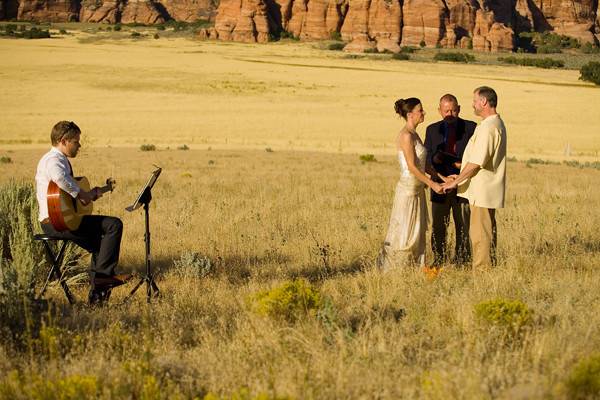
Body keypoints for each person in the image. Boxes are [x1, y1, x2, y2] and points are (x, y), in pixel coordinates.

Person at [35, 121, 131, 305]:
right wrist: (82, 195)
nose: (79, 145)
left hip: (62, 220)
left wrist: (95, 192)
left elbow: (67, 191)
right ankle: (103, 280)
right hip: (57, 223)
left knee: (101, 247)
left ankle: (97, 299)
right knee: (114, 224)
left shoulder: (59, 160)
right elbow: (59, 178)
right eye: (76, 141)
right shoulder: (53, 160)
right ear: (63, 141)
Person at [442, 87, 507, 268]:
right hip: (486, 189)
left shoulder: (488, 127)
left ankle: (482, 270)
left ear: (484, 102)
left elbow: (476, 163)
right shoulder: (494, 124)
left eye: (475, 101)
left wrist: (456, 181)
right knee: (485, 231)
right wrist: (461, 174)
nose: (473, 104)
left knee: (480, 234)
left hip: (483, 190)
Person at [378, 98, 445, 270]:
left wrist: (442, 178)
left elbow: (424, 164)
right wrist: (433, 184)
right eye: (420, 110)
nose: (424, 113)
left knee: (418, 231)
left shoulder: (415, 134)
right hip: (408, 190)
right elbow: (412, 167)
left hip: (418, 189)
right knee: (405, 232)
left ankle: (415, 267)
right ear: (410, 114)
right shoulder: (406, 136)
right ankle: (398, 268)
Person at [424, 94, 476, 267]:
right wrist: (441, 174)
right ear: (439, 111)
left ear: (459, 109)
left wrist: (458, 171)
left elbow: (475, 158)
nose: (450, 114)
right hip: (439, 185)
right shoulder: (432, 130)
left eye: (453, 110)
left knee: (463, 225)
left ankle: (462, 261)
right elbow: (428, 157)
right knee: (439, 226)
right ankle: (439, 259)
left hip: (464, 185)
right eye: (446, 110)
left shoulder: (471, 128)